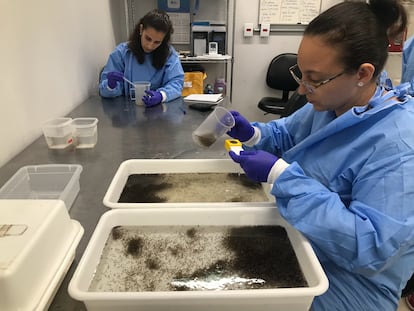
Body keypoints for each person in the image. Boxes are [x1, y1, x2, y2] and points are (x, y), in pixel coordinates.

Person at [226, 0, 414, 310]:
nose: (301, 89)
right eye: (301, 74)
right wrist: (254, 134)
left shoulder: (399, 146)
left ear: (363, 73)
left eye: (315, 78)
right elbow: (287, 133)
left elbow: (371, 248)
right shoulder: (331, 105)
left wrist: (282, 177)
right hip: (304, 239)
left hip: (351, 283)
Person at [99, 9, 184, 107]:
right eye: (147, 38)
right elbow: (104, 91)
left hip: (157, 112)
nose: (150, 46)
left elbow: (176, 83)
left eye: (157, 42)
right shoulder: (121, 53)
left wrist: (161, 95)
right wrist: (110, 85)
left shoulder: (169, 55)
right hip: (126, 112)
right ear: (141, 29)